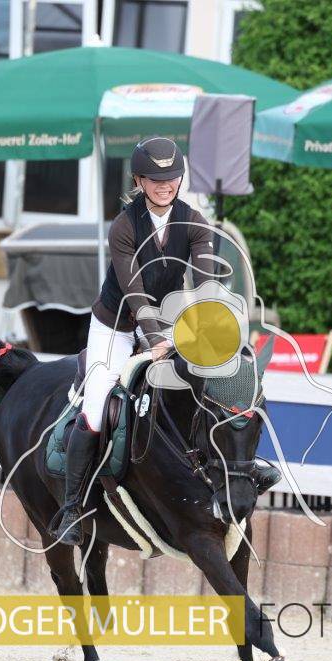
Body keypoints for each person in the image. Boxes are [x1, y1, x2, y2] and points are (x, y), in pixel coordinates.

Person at [50, 136, 277, 545]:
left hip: (171, 322)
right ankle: (70, 508)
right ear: (139, 181)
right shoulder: (124, 227)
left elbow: (205, 285)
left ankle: (244, 467)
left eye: (171, 178)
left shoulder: (194, 223)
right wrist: (154, 339)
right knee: (98, 407)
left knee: (225, 381)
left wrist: (212, 333)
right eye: (155, 180)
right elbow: (134, 291)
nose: (164, 186)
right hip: (117, 326)